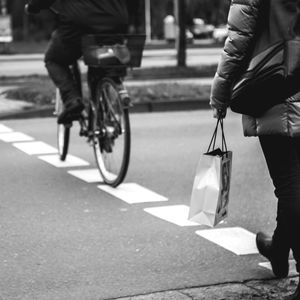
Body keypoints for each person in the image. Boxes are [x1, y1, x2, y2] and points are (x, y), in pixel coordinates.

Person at [210, 0, 300, 299]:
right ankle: (277, 247)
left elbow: (239, 37)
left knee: (289, 183)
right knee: (293, 183)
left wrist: (221, 93)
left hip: (280, 81)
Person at [25, 0, 130, 124]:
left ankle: (72, 100)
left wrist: (33, 6)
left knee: (54, 60)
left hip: (79, 23)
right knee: (101, 64)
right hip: (115, 22)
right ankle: (102, 115)